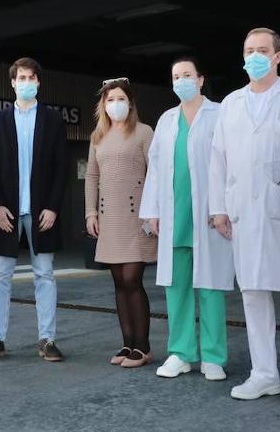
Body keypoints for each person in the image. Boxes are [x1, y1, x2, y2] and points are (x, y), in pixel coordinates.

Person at [210, 28, 280, 410]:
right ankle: (264, 374)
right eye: (248, 50)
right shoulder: (231, 103)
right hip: (244, 215)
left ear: (277, 56)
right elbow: (218, 159)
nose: (254, 56)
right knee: (253, 294)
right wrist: (218, 207)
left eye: (262, 50)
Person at [141, 57, 233, 383]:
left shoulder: (220, 114)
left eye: (187, 75)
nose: (181, 80)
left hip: (209, 216)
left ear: (201, 79)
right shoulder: (166, 120)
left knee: (210, 287)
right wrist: (151, 211)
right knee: (176, 287)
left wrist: (225, 207)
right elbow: (154, 169)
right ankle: (180, 353)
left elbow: (229, 163)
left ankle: (213, 356)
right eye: (176, 76)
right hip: (174, 216)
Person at [0, 57, 69, 363]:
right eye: (21, 78)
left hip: (42, 212)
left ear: (38, 82)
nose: (26, 83)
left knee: (45, 274)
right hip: (8, 212)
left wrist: (54, 207)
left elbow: (60, 168)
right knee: (1, 275)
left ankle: (47, 339)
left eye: (32, 78)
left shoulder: (53, 119)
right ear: (13, 82)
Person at [84, 78, 156, 368]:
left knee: (131, 280)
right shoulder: (97, 137)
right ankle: (127, 344)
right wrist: (90, 212)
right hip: (109, 217)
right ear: (104, 104)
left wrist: (154, 212)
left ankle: (143, 346)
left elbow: (157, 173)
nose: (116, 104)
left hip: (137, 217)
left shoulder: (144, 133)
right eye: (110, 99)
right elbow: (92, 176)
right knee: (117, 282)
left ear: (130, 102)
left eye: (121, 99)